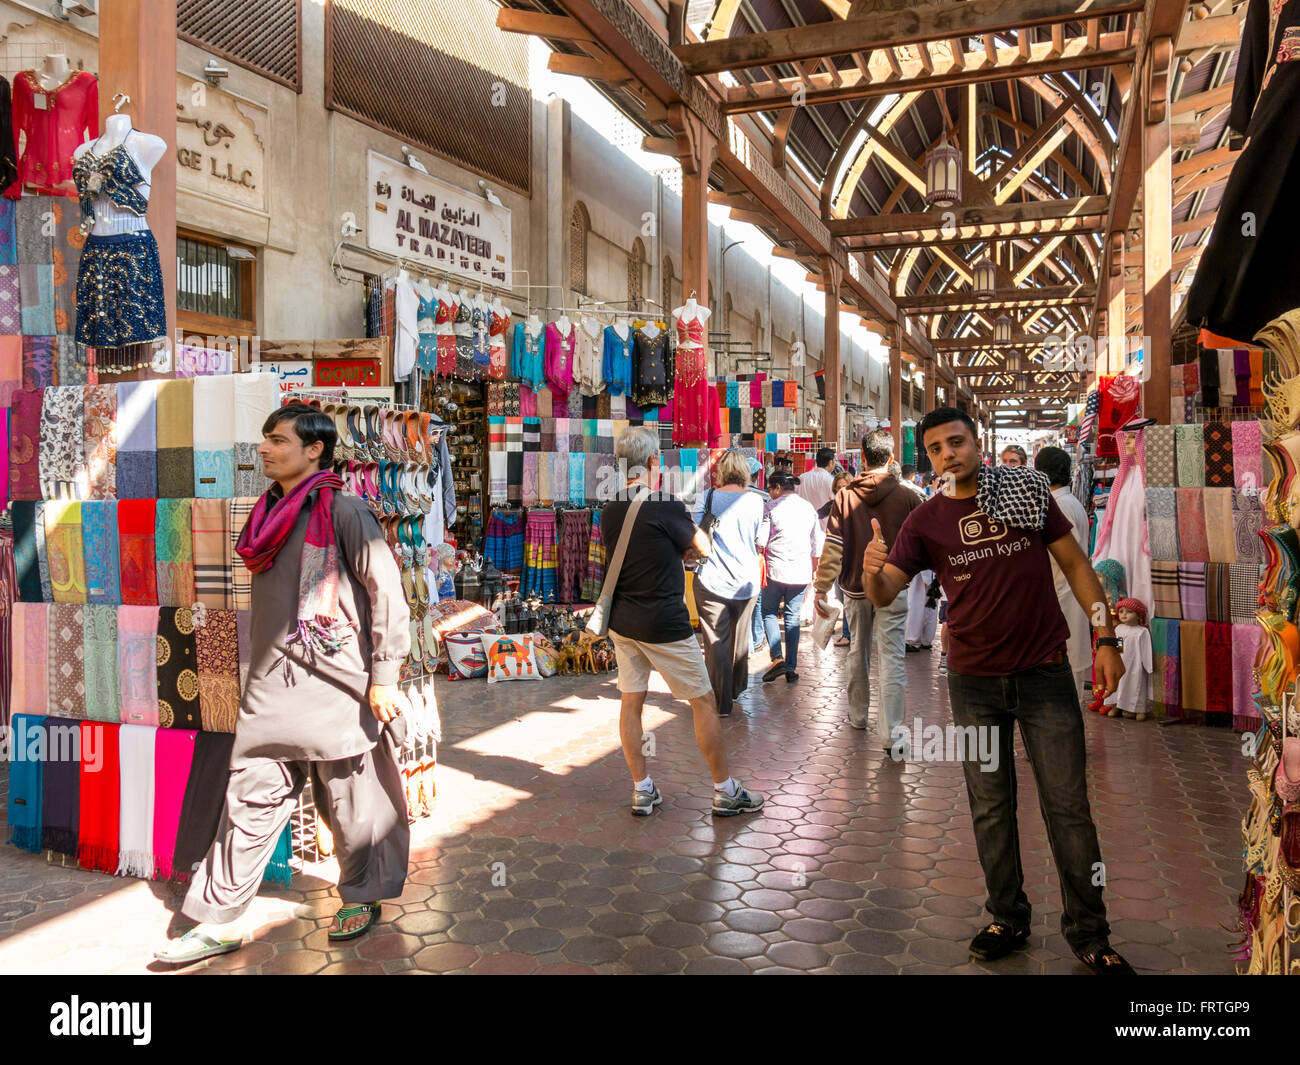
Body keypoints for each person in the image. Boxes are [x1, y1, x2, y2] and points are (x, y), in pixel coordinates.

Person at [860, 406, 1134, 975]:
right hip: (973, 683)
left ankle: (1090, 931)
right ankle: (1006, 916)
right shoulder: (927, 520)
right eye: (935, 449)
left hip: (1044, 675)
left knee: (1069, 809)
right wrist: (871, 569)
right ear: (927, 457)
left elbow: (1080, 568)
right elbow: (886, 592)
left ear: (977, 443)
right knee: (990, 807)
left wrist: (1107, 637)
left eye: (956, 442)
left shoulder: (1027, 493)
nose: (947, 455)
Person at [156, 403, 412, 966]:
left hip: (337, 684)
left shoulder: (345, 511)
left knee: (349, 802)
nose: (264, 449)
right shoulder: (265, 515)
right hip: (272, 685)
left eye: (276, 440)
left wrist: (386, 674)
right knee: (248, 799)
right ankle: (217, 918)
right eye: (264, 440)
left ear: (314, 449)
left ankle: (362, 895)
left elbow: (386, 591)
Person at [601, 427, 764, 816]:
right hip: (664, 621)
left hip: (622, 621)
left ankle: (642, 789)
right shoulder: (664, 504)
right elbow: (701, 545)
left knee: (631, 702)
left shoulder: (609, 509)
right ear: (654, 463)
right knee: (704, 702)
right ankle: (725, 790)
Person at [813, 429, 922, 743]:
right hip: (895, 589)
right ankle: (893, 734)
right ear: (891, 460)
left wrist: (821, 587)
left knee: (858, 652)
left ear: (861, 458)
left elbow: (833, 547)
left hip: (855, 589)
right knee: (892, 658)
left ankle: (858, 715)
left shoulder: (845, 497)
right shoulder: (908, 497)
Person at [691, 449, 768, 717]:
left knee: (716, 642)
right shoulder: (757, 502)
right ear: (746, 473)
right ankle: (734, 689)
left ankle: (722, 701)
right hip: (747, 582)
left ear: (721, 472)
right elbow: (761, 540)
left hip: (712, 580)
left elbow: (694, 534)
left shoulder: (708, 497)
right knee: (739, 641)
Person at [1034, 446, 1092, 700]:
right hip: (1064, 594)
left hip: (1065, 596)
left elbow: (1070, 560)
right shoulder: (1067, 502)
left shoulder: (1061, 506)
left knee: (1069, 674)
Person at [758, 472, 824, 682]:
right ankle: (791, 668)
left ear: (777, 487)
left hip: (775, 571)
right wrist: (815, 568)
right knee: (792, 618)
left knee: (768, 612)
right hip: (801, 572)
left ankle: (777, 658)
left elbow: (760, 540)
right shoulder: (808, 508)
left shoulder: (771, 507)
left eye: (770, 488)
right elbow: (816, 544)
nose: (769, 493)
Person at [824, 470, 854, 647]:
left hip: (850, 558)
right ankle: (850, 632)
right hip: (838, 557)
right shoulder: (833, 505)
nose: (841, 490)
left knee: (847, 598)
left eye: (844, 486)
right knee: (842, 597)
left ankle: (848, 634)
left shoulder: (855, 506)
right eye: (838, 488)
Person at [796, 446, 837, 528]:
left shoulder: (802, 477)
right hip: (823, 527)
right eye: (835, 461)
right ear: (831, 462)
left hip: (803, 525)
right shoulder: (830, 480)